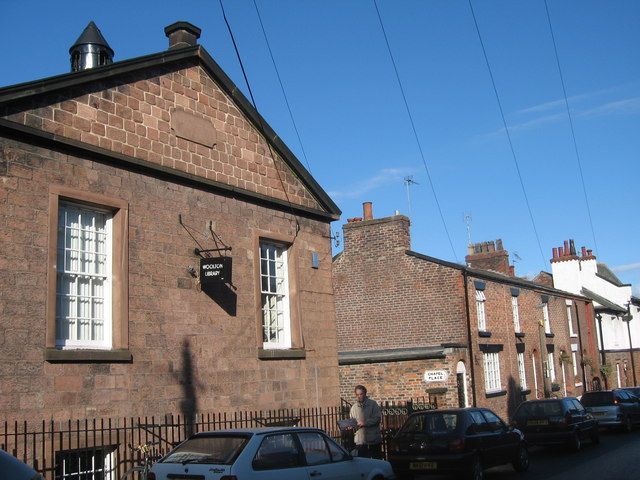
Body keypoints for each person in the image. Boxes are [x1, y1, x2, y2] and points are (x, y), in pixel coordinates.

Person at [349, 385, 382, 459]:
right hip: (360, 441)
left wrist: (365, 423)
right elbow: (352, 421)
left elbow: (377, 419)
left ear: (365, 394)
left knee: (376, 462)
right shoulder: (353, 408)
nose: (359, 396)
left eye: (361, 394)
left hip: (373, 440)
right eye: (357, 394)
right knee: (363, 462)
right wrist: (350, 426)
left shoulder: (373, 404)